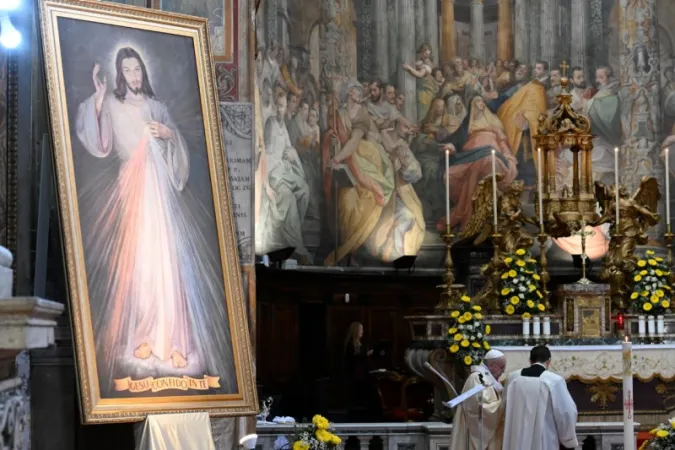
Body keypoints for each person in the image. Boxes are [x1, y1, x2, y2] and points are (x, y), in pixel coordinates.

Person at [76, 47, 235, 389]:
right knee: (142, 266)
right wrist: (99, 98)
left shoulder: (157, 106)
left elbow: (177, 148)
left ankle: (173, 341)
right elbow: (98, 142)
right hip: (133, 189)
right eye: (127, 70)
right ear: (120, 73)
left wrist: (169, 134)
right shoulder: (113, 103)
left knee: (167, 264)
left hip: (159, 193)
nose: (133, 75)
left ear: (143, 72)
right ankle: (146, 336)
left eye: (137, 69)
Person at [503, 346, 579, 450]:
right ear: (549, 362)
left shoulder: (513, 377)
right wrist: (568, 439)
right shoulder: (554, 380)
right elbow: (566, 412)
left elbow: (504, 407)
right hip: (544, 439)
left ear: (530, 360)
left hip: (516, 438)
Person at [450, 349, 507, 450]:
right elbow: (481, 408)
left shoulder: (487, 378)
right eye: (501, 367)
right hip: (475, 433)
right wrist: (504, 404)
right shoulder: (477, 378)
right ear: (491, 365)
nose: (503, 371)